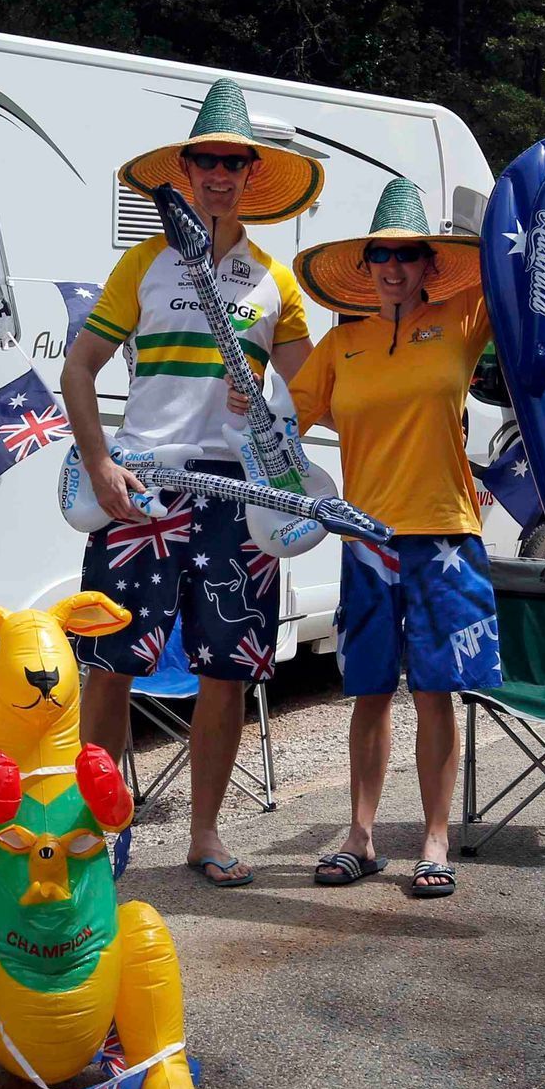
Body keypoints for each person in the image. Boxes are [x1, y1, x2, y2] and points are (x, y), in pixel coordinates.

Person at [61, 78, 325, 888]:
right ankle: (95, 829)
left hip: (238, 493)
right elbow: (79, 366)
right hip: (142, 485)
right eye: (206, 161)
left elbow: (304, 393)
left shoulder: (273, 282)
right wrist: (100, 460)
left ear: (252, 175)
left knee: (228, 668)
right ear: (186, 170)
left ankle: (204, 834)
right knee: (109, 662)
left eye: (234, 163)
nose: (219, 174)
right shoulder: (143, 261)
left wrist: (272, 404)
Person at [286, 177, 497, 899]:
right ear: (367, 265)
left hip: (444, 530)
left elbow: (521, 272)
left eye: (410, 254)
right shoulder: (340, 344)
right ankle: (361, 838)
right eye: (382, 254)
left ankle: (435, 840)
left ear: (430, 264)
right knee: (370, 692)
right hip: (366, 537)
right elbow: (282, 425)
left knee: (436, 693)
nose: (395, 267)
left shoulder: (465, 316)